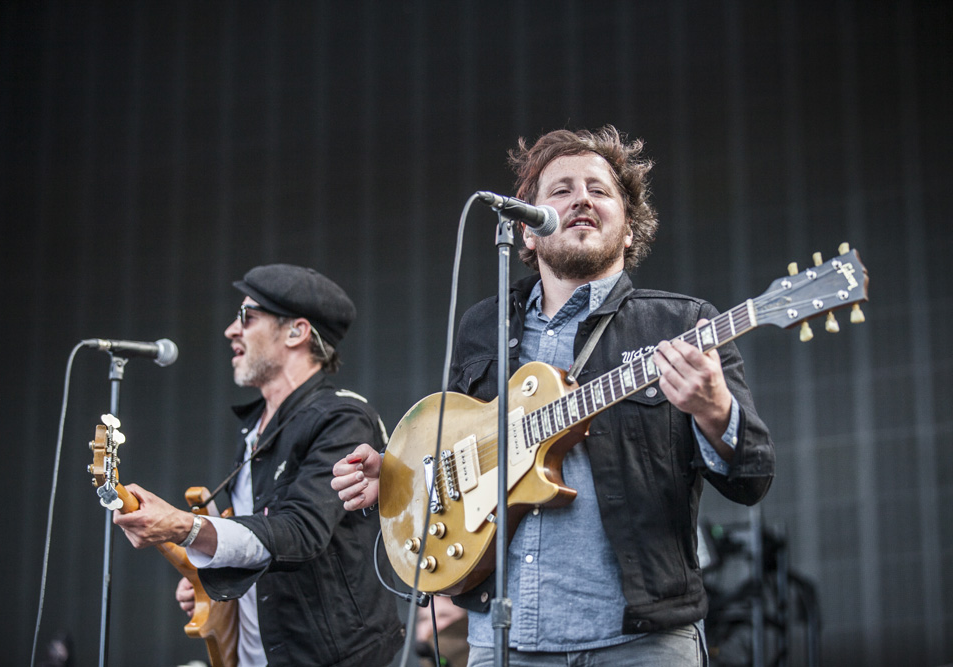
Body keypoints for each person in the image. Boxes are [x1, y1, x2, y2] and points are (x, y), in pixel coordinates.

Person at [332, 126, 775, 666]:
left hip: (640, 641)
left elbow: (752, 479)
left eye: (599, 189)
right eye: (561, 190)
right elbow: (456, 447)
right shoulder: (483, 327)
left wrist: (714, 409)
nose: (581, 198)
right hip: (504, 642)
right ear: (528, 231)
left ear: (629, 230)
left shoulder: (682, 324)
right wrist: (398, 479)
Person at [114, 263, 403, 667]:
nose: (231, 330)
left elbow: (300, 532)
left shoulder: (342, 418)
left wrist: (185, 526)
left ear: (297, 332)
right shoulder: (255, 427)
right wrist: (209, 582)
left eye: (247, 316)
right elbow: (258, 542)